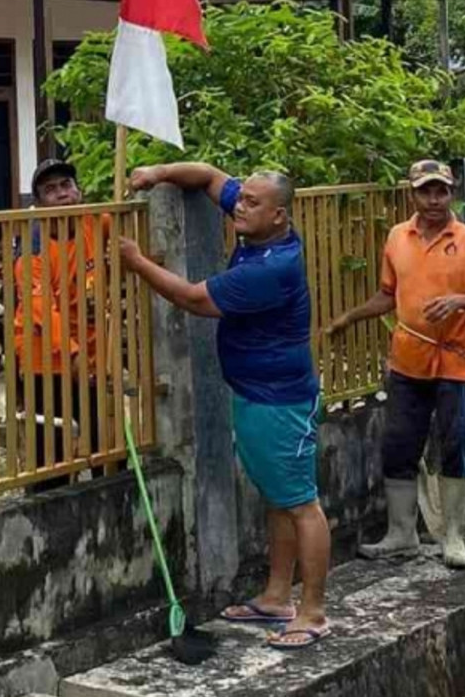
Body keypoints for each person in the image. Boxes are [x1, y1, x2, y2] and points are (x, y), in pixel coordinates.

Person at [120, 163, 330, 650]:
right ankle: (277, 596)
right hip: (258, 393)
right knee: (279, 497)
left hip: (280, 401)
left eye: (253, 203)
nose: (240, 204)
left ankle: (314, 611)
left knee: (301, 503)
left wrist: (137, 262)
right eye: (244, 197)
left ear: (279, 216)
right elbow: (212, 176)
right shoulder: (257, 225)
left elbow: (195, 300)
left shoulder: (271, 266)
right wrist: (158, 173)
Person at [327, 160, 465, 569]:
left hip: (454, 361)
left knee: (456, 444)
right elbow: (389, 294)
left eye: (441, 191)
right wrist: (351, 317)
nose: (434, 200)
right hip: (407, 361)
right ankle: (401, 534)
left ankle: (454, 535)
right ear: (412, 194)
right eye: (425, 191)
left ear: (452, 193)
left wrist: (460, 300)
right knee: (398, 445)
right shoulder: (396, 238)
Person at [13, 159, 106, 493]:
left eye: (66, 185)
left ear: (78, 191)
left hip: (90, 354)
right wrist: (72, 353)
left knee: (106, 448)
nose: (62, 194)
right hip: (46, 359)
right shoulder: (34, 243)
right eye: (51, 190)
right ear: (39, 203)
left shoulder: (94, 223)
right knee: (50, 458)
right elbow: (40, 307)